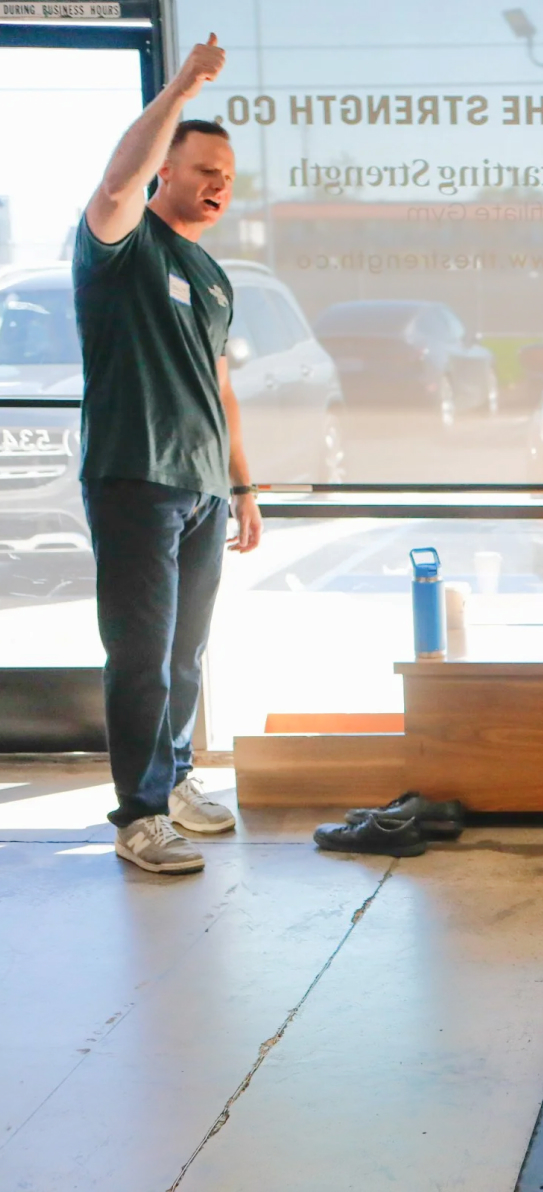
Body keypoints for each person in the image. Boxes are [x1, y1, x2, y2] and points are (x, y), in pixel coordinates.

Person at [73, 34, 262, 875]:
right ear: (166, 171)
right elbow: (118, 180)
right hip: (134, 480)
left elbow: (221, 389)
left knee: (186, 655)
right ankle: (139, 815)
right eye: (202, 171)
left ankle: (177, 780)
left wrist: (245, 488)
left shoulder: (214, 276)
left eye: (226, 176)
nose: (217, 185)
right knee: (141, 655)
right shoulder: (121, 245)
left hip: (202, 488)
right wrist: (182, 86)